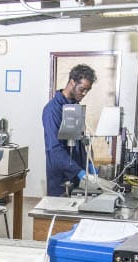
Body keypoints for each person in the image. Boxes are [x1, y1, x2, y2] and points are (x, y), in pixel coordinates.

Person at [42, 64, 97, 197]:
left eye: (87, 91)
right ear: (72, 82)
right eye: (82, 89)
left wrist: (88, 165)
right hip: (60, 180)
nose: (84, 94)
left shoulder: (74, 107)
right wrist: (78, 171)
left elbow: (79, 143)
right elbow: (54, 149)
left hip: (77, 177)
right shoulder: (52, 110)